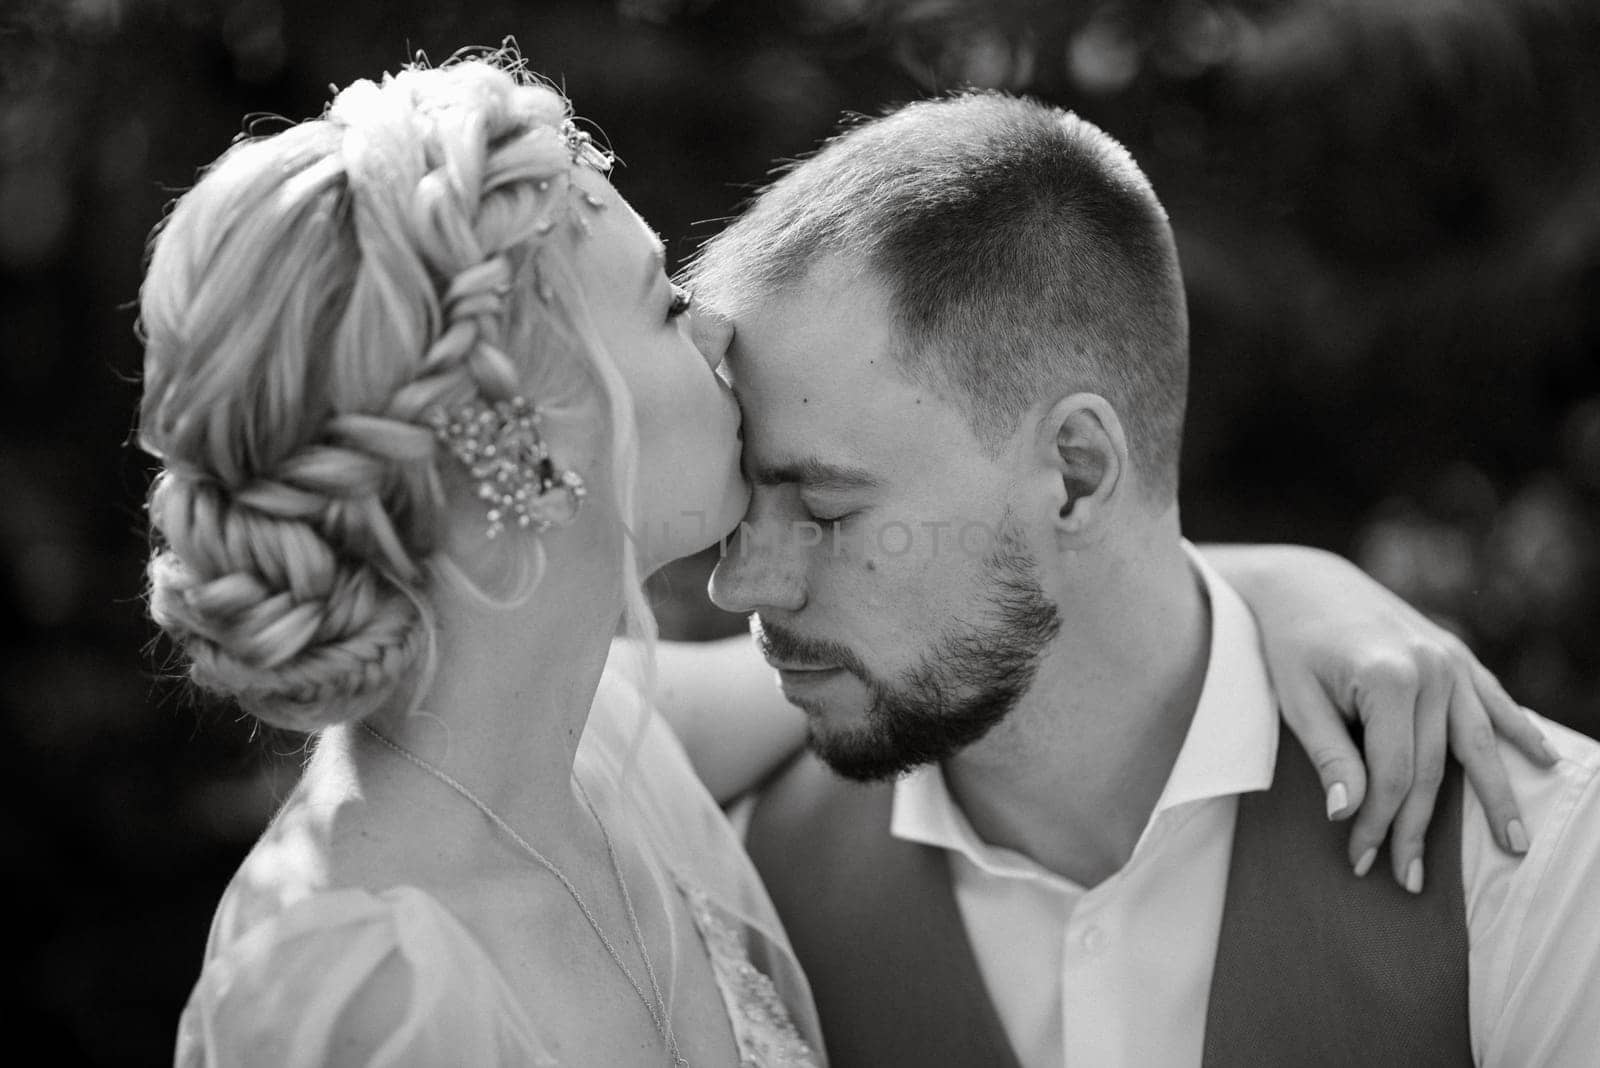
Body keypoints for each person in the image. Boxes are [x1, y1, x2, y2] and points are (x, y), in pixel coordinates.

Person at [144, 51, 1552, 1067]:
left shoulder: (614, 747)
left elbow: (1044, 609)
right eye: (661, 301)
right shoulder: (354, 992)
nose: (713, 336)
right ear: (528, 437)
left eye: (823, 506)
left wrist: (1302, 589)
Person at [677, 93, 1600, 1066]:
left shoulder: (1538, 865)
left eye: (823, 511)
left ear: (1075, 473)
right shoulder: (726, 876)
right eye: (739, 507)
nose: (738, 589)